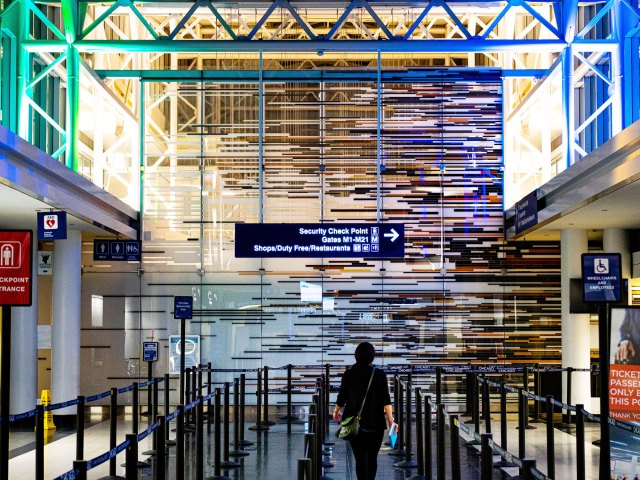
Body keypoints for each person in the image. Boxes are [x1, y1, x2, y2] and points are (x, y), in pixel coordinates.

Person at [333, 342, 395, 480]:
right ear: (372, 357)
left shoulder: (349, 374)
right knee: (372, 458)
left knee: (360, 459)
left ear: (356, 356)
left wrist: (336, 411)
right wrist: (391, 420)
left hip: (354, 422)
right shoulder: (379, 374)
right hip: (376, 423)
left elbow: (341, 397)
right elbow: (386, 400)